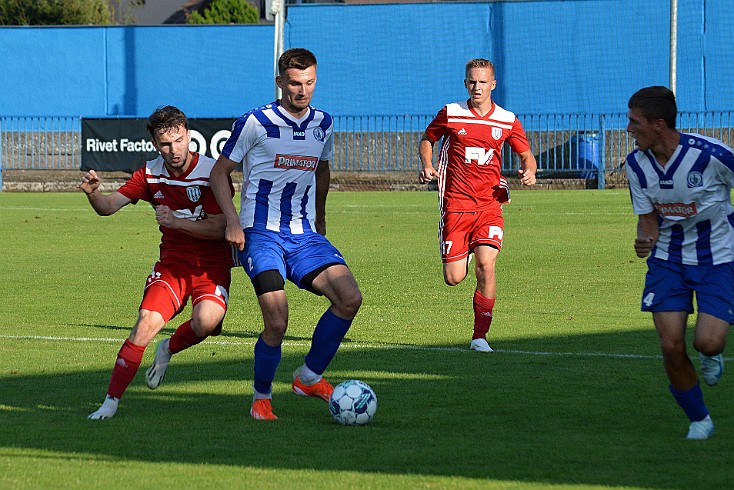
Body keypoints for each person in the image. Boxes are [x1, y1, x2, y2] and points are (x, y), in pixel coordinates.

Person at [210, 48, 362, 421]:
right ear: (280, 82)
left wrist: (321, 220)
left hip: (305, 235)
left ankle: (309, 377)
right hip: (260, 234)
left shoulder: (323, 123)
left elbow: (322, 172)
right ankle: (261, 397)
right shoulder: (255, 122)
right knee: (277, 321)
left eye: (310, 82)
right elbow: (218, 173)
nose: (303, 90)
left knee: (350, 298)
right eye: (295, 83)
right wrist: (232, 221)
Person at [80, 105, 235, 420]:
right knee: (145, 324)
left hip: (211, 266)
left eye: (179, 140)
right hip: (173, 266)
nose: (174, 149)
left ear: (188, 135)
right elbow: (108, 207)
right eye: (166, 144)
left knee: (206, 322)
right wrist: (94, 194)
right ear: (154, 143)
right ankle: (110, 403)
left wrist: (176, 222)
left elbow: (220, 228)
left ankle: (168, 349)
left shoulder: (211, 173)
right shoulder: (150, 173)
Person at [625, 86, 733, 439]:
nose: (628, 129)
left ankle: (711, 353)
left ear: (658, 124)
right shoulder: (635, 165)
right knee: (670, 344)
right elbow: (648, 220)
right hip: (668, 260)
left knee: (708, 342)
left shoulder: (711, 155)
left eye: (634, 122)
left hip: (719, 258)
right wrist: (645, 240)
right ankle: (699, 419)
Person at [418, 58, 537, 353]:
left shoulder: (506, 120)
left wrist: (530, 169)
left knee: (487, 265)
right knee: (454, 278)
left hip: (489, 205)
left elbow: (526, 154)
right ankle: (464, 253)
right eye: (472, 81)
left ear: (493, 85)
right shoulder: (452, 113)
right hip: (456, 205)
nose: (477, 87)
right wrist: (426, 164)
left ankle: (479, 336)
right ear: (465, 83)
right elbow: (427, 139)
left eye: (483, 82)